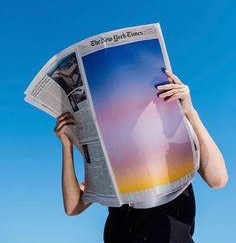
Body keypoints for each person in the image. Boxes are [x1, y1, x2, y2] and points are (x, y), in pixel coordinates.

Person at [54, 69, 228, 243]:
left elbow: (218, 179)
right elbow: (73, 206)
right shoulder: (113, 157)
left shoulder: (175, 144)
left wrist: (190, 112)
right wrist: (66, 146)